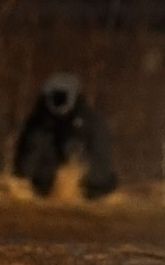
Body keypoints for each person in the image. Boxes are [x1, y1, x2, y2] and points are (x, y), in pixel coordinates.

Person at [13, 72, 117, 200]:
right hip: (53, 187)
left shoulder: (88, 123)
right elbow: (28, 156)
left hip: (89, 187)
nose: (58, 103)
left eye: (61, 97)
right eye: (56, 97)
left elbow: (98, 159)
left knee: (71, 145)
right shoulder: (41, 123)